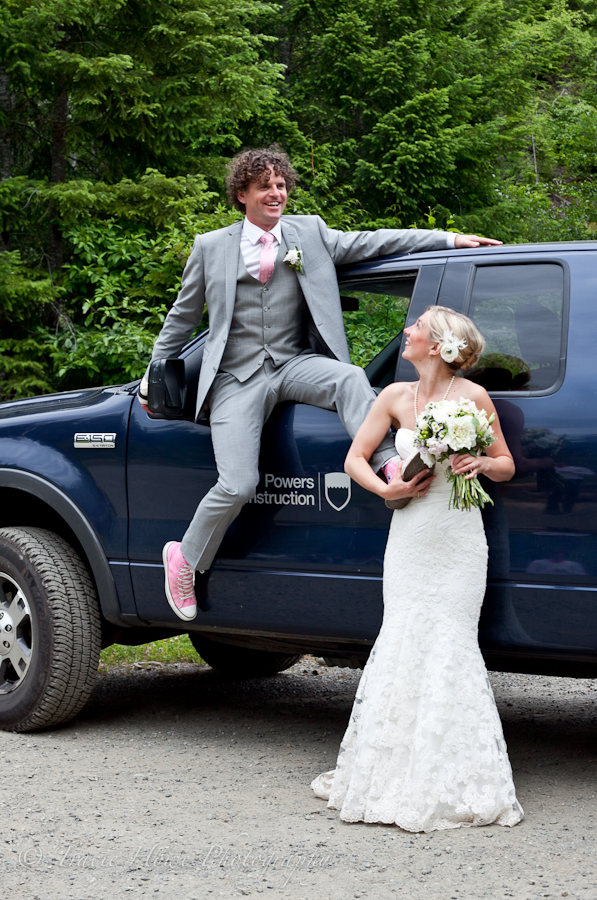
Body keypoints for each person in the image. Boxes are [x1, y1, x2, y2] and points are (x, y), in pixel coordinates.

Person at [138, 146, 502, 621]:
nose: (277, 192)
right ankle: (184, 558)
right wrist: (154, 376)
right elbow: (182, 318)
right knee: (239, 482)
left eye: (282, 185)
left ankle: (391, 466)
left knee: (350, 378)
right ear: (242, 193)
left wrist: (449, 240)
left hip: (294, 363)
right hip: (237, 377)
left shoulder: (308, 233)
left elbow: (377, 242)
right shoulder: (211, 247)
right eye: (265, 185)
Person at [311, 305, 524, 832]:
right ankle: (390, 770)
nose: (407, 333)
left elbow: (507, 464)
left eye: (417, 328)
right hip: (410, 537)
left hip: (458, 538)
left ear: (440, 345)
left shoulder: (473, 398)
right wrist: (389, 489)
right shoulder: (392, 397)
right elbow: (354, 459)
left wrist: (480, 463)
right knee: (403, 636)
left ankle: (453, 775)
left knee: (450, 639)